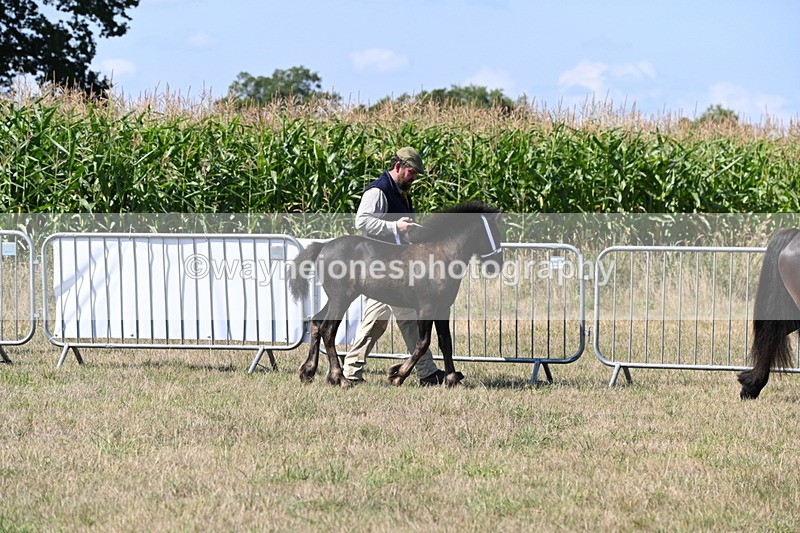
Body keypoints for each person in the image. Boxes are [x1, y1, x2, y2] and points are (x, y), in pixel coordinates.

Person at [341, 147, 459, 386]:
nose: (414, 177)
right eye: (411, 171)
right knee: (390, 320)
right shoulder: (378, 191)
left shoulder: (401, 191)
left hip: (396, 267)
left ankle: (354, 370)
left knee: (391, 320)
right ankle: (424, 372)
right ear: (398, 167)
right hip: (381, 266)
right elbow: (361, 221)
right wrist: (395, 227)